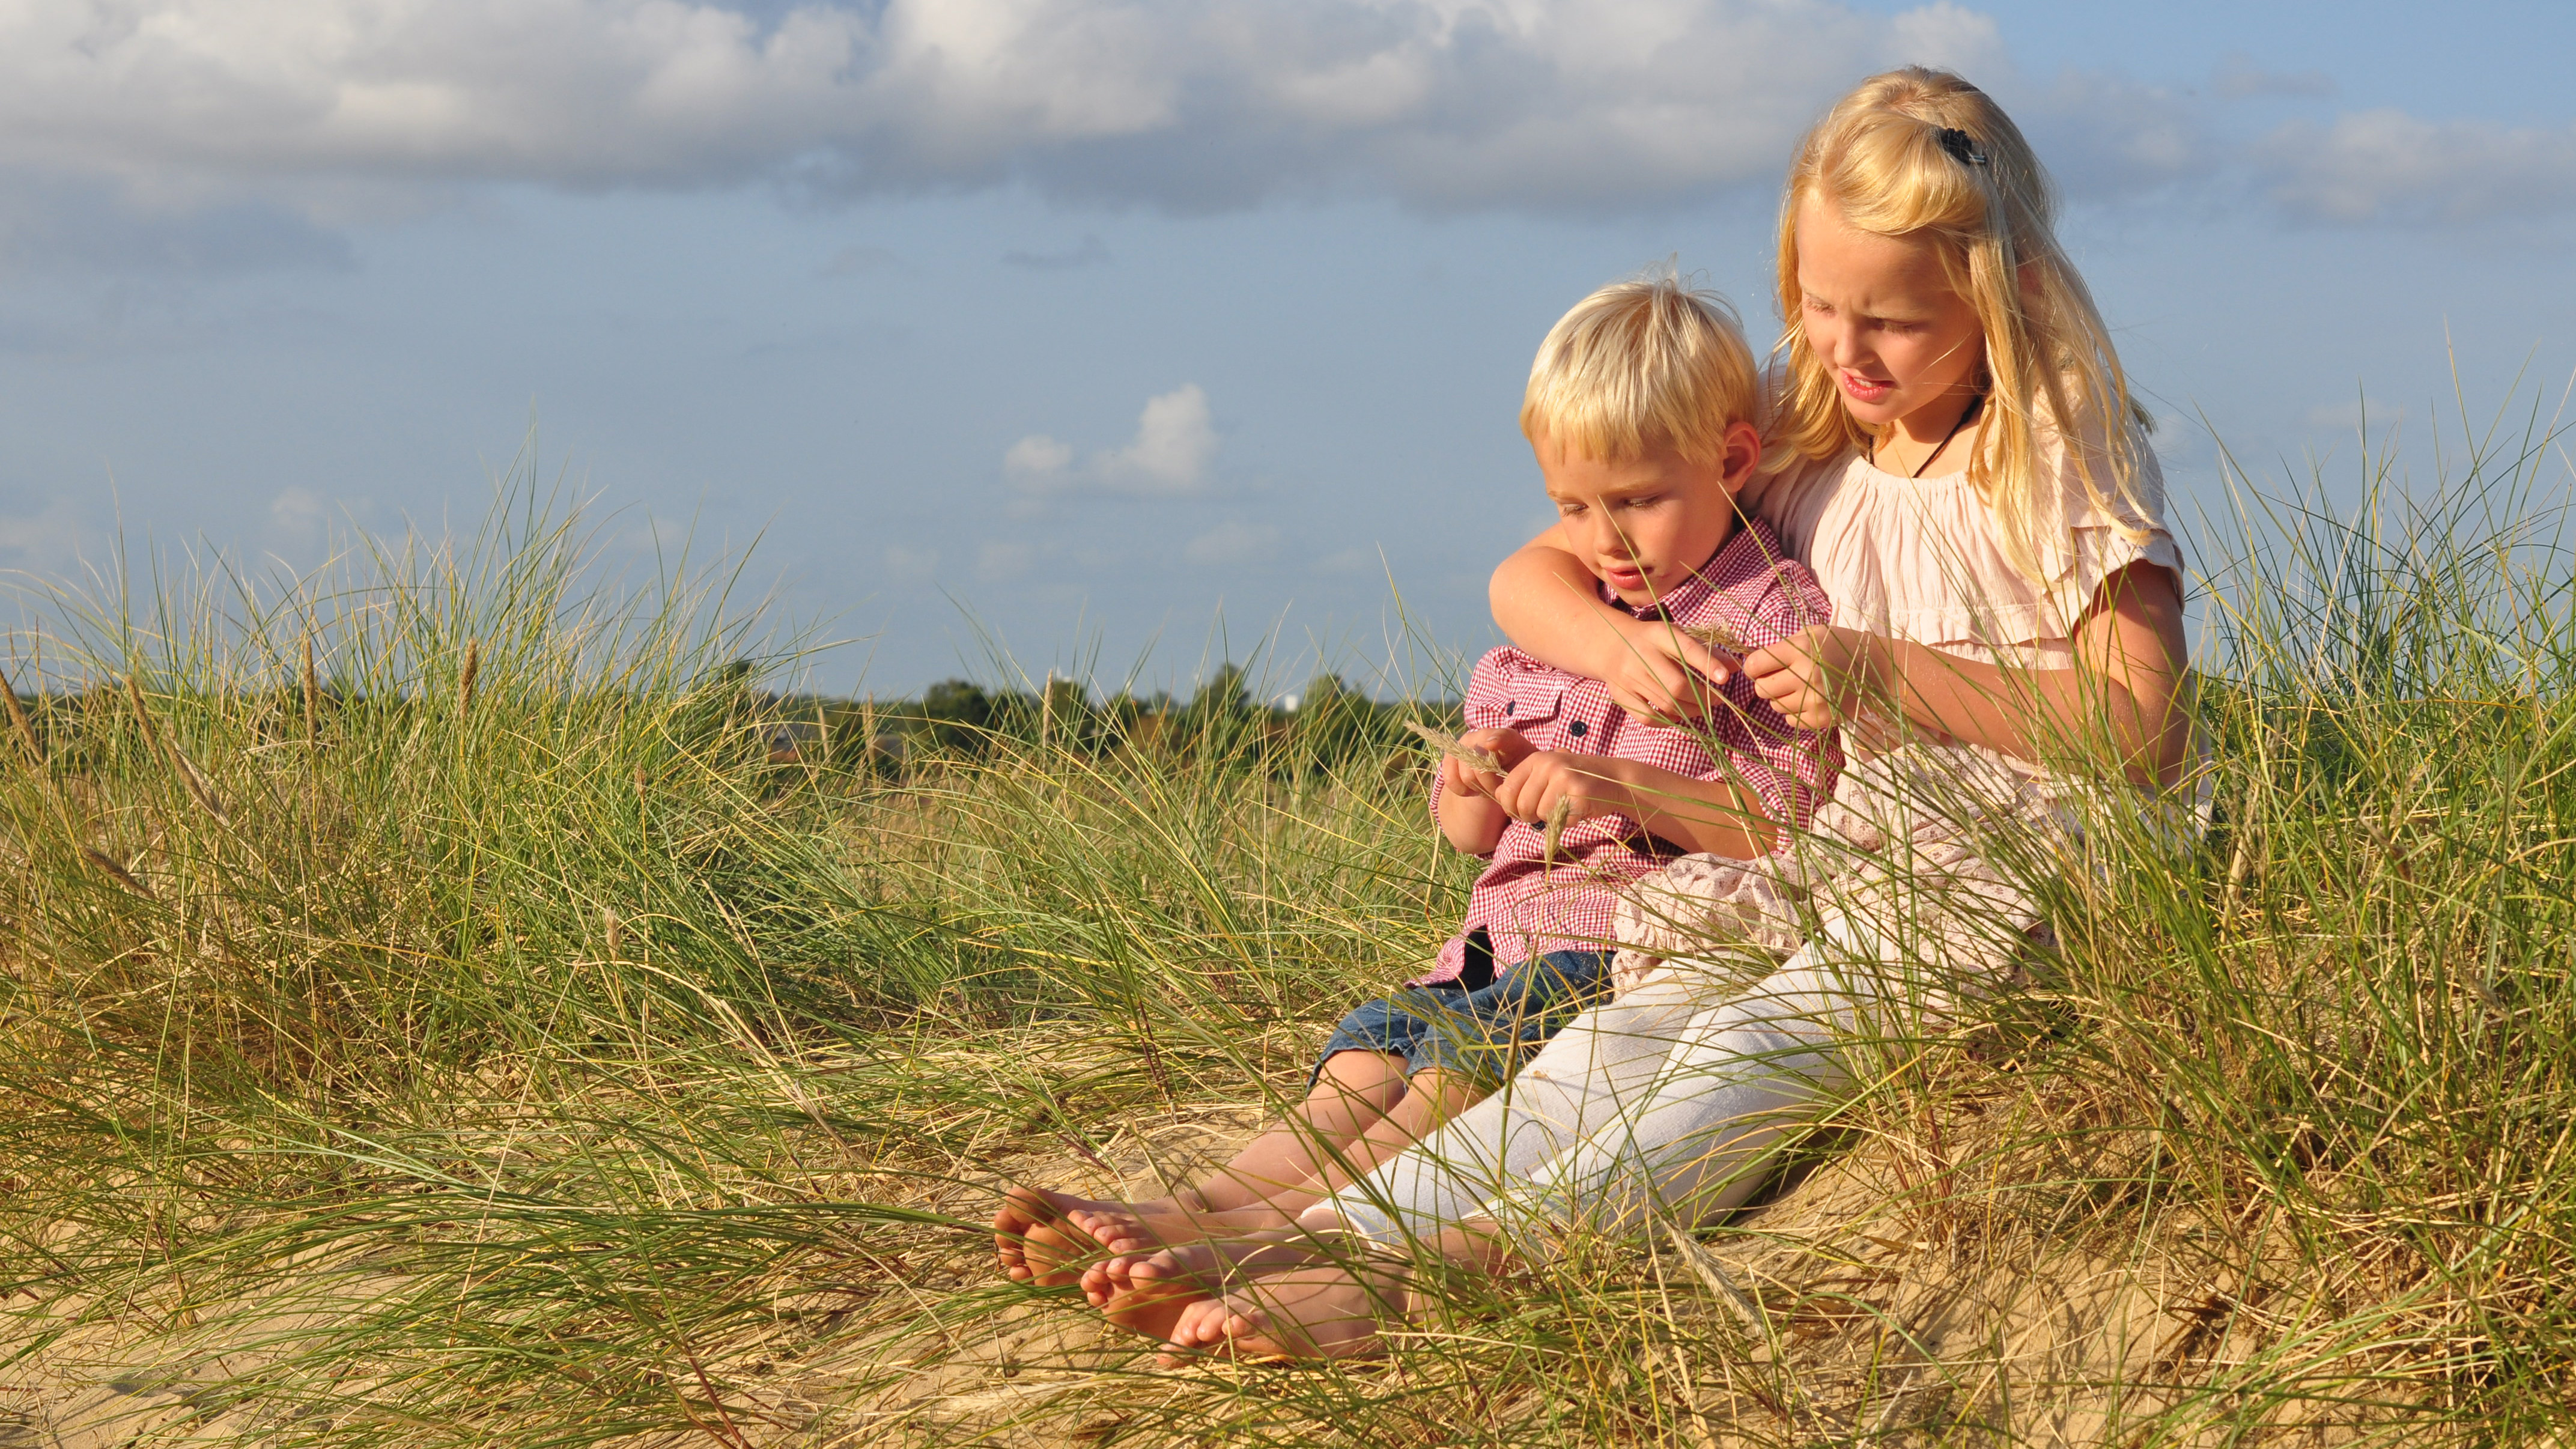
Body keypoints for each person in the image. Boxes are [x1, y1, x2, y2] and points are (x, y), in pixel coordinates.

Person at [1087, 65, 2198, 1361]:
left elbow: (2143, 726)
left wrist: (1887, 675)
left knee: (1770, 1040)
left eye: (1890, 323)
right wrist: (1613, 646)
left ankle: (1448, 1269)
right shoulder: (1811, 428)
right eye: (1816, 305)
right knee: (1627, 1031)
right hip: (1852, 834)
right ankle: (1339, 1227)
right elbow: (1534, 574)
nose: (1843, 352)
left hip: (2026, 839)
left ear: (1994, 296)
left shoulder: (2051, 444)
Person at [991, 274, 1840, 1290]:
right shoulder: (1566, 625)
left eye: (1638, 502)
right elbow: (1470, 838)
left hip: (1602, 950)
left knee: (1437, 1093)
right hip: (1480, 948)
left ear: (1734, 460)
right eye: (1571, 507)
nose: (1604, 539)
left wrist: (1623, 790)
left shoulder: (1767, 619)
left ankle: (1274, 1241)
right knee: (1356, 1072)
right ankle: (1190, 1209)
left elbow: (1790, 821)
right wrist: (1473, 781)